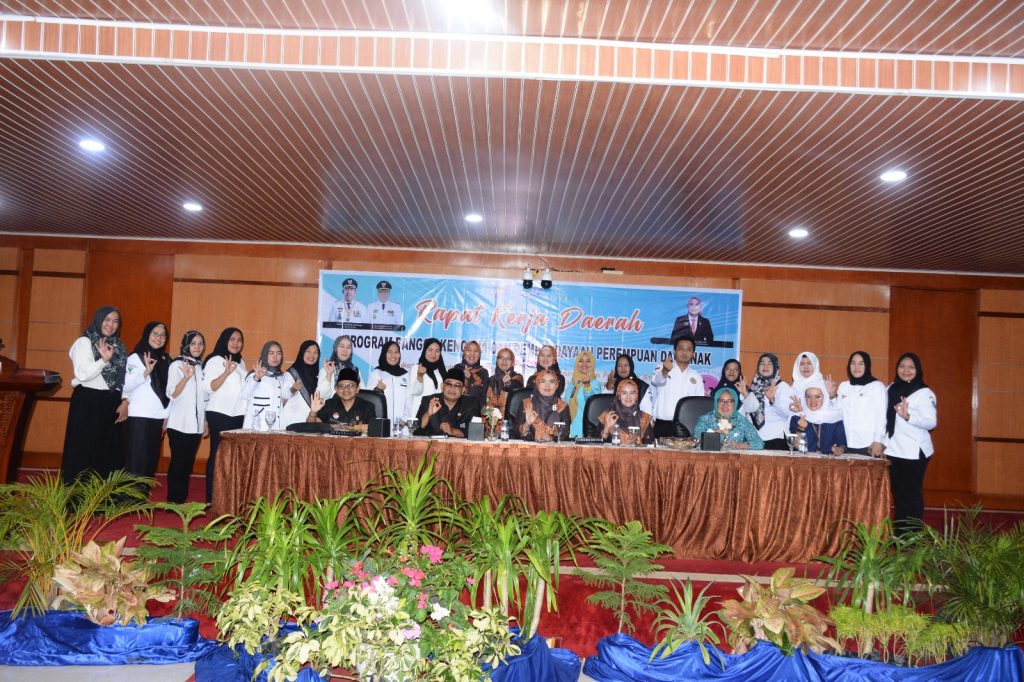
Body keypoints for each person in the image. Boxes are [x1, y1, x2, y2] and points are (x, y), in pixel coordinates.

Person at [60, 306, 128, 484]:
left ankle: (103, 497)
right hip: (88, 401)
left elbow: (123, 378)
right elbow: (82, 374)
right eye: (107, 320)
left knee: (109, 452)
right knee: (83, 450)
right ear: (98, 320)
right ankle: (78, 495)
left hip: (111, 401)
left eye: (115, 321)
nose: (111, 325)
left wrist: (125, 401)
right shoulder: (84, 342)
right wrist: (103, 360)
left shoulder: (118, 345)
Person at [884, 353, 937, 528]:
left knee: (911, 496)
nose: (906, 370)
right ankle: (900, 533)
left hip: (914, 452)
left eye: (911, 367)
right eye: (902, 366)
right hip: (893, 450)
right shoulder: (891, 387)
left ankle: (913, 535)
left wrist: (908, 417)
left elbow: (931, 422)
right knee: (899, 495)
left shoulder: (924, 393)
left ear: (918, 370)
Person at [202, 327, 247, 503]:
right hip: (220, 413)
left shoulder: (241, 362)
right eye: (232, 339)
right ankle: (212, 497)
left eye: (239, 340)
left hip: (238, 415)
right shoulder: (215, 360)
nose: (236, 343)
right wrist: (226, 373)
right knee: (217, 455)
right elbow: (209, 387)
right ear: (225, 340)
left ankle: (227, 496)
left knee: (231, 458)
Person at [122, 321, 172, 483]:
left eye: (162, 335)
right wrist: (145, 373)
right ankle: (130, 496)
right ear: (147, 335)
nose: (159, 338)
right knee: (136, 462)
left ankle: (142, 495)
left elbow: (169, 391)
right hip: (139, 417)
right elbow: (126, 386)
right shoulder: (135, 357)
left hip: (158, 418)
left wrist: (166, 415)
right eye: (155, 334)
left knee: (150, 463)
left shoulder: (165, 359)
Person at [165, 330, 208, 503]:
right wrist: (185, 378)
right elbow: (172, 394)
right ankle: (173, 500)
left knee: (187, 464)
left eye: (200, 343)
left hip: (196, 425)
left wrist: (205, 422)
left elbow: (203, 398)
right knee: (178, 463)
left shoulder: (199, 366)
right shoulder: (176, 365)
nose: (197, 347)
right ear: (186, 345)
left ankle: (181, 498)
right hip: (179, 423)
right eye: (193, 343)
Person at [833, 351, 887, 456]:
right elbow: (837, 413)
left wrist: (878, 440)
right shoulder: (844, 386)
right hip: (845, 444)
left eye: (861, 363)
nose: (856, 367)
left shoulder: (877, 386)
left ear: (867, 366)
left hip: (868, 444)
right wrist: (831, 397)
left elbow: (881, 415)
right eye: (853, 363)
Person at [650, 336, 705, 437]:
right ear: (674, 351)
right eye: (681, 349)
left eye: (689, 349)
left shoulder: (696, 376)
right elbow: (657, 381)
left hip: (686, 426)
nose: (684, 352)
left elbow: (699, 404)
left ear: (693, 353)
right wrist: (665, 371)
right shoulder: (662, 367)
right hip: (663, 424)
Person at [739, 352, 794, 450]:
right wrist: (745, 394)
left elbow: (787, 413)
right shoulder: (755, 386)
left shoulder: (782, 386)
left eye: (770, 364)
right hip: (757, 438)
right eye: (762, 363)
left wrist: (773, 400)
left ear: (776, 367)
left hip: (777, 437)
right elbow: (751, 409)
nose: (765, 366)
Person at [241, 341, 294, 429]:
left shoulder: (282, 377)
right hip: (257, 426)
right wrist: (256, 378)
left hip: (276, 427)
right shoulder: (254, 375)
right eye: (271, 353)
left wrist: (293, 389)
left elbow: (283, 398)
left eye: (278, 353)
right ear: (265, 355)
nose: (275, 357)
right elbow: (244, 395)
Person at [413, 366, 478, 437]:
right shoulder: (429, 401)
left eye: (457, 385)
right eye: (449, 384)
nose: (452, 388)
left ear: (463, 390)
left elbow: (476, 433)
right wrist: (428, 414)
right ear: (442, 386)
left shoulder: (471, 404)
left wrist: (453, 431)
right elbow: (415, 430)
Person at [694, 387, 764, 449]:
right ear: (716, 402)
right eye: (721, 400)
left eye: (730, 401)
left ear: (735, 403)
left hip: (735, 458)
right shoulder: (704, 420)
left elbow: (759, 443)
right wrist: (713, 434)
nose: (725, 404)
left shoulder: (741, 420)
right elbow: (696, 443)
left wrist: (742, 445)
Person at [515, 368, 571, 442]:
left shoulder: (562, 406)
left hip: (553, 448)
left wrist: (551, 438)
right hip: (529, 447)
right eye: (543, 381)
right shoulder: (527, 404)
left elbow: (565, 435)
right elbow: (516, 434)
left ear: (556, 385)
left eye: (551, 382)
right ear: (537, 384)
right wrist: (527, 424)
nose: (547, 385)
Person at [308, 367, 376, 426]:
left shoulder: (367, 407)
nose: (346, 389)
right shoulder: (329, 405)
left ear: (357, 389)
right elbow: (311, 426)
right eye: (341, 385)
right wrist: (313, 412)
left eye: (351, 385)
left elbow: (372, 431)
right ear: (336, 390)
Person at [789, 386, 847, 454]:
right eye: (809, 396)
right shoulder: (797, 418)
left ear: (825, 398)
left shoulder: (835, 418)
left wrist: (839, 449)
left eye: (818, 396)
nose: (813, 401)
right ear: (804, 398)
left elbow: (842, 444)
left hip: (829, 459)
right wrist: (800, 429)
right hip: (805, 459)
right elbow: (799, 448)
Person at [365, 340, 411, 423]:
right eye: (390, 352)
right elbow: (368, 399)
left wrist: (404, 420)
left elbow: (409, 400)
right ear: (384, 354)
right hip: (381, 424)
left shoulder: (405, 375)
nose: (393, 355)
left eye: (396, 352)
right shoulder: (377, 373)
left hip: (401, 425)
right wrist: (377, 389)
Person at [598, 378, 654, 445]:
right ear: (619, 395)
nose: (628, 397)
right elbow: (595, 445)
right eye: (624, 393)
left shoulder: (643, 418)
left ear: (636, 396)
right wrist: (606, 429)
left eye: (632, 393)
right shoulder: (608, 416)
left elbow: (651, 445)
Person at [281, 340, 320, 428]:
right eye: (308, 351)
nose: (312, 355)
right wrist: (293, 389)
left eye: (315, 352)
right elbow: (283, 395)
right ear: (302, 353)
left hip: (310, 422)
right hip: (292, 422)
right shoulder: (292, 373)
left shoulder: (318, 375)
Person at [568, 350, 602, 438]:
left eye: (588, 361)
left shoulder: (595, 383)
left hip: (585, 429)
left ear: (592, 364)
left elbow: (592, 402)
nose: (584, 364)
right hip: (571, 428)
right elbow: (567, 403)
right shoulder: (572, 384)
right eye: (581, 361)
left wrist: (587, 385)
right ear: (577, 364)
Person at [409, 337, 447, 406]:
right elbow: (415, 392)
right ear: (425, 351)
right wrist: (420, 376)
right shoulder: (416, 368)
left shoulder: (443, 370)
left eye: (437, 351)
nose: (433, 353)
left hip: (439, 410)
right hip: (421, 410)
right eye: (430, 350)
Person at [485, 347, 524, 415]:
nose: (504, 361)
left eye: (508, 358)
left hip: (511, 418)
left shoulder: (517, 378)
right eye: (501, 357)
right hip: (491, 418)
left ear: (512, 362)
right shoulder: (491, 379)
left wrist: (507, 384)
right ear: (497, 361)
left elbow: (516, 388)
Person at [453, 340, 489, 408]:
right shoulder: (457, 369)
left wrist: (481, 413)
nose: (472, 354)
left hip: (476, 411)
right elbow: (452, 393)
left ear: (479, 355)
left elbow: (484, 397)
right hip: (457, 410)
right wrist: (465, 378)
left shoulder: (484, 372)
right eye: (469, 350)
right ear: (464, 353)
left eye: (476, 351)